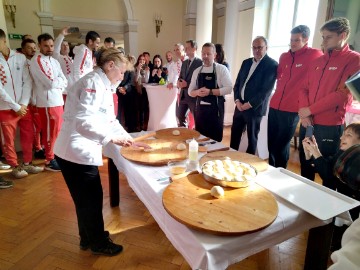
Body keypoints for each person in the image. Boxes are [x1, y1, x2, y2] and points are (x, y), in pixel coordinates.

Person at [54, 48, 148, 256]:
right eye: (122, 72)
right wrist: (110, 139)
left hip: (75, 151)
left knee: (84, 199)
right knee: (92, 198)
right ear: (110, 65)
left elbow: (110, 120)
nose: (123, 77)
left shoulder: (104, 84)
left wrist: (130, 140)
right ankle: (98, 242)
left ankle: (86, 238)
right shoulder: (93, 83)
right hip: (75, 152)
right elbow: (83, 122)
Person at [298, 17, 360, 182]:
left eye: (328, 37)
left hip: (329, 126)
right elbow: (304, 88)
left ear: (343, 35)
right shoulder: (317, 61)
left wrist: (310, 110)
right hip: (307, 122)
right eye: (323, 37)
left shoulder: (354, 60)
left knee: (327, 171)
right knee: (306, 163)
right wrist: (304, 114)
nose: (324, 41)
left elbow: (342, 94)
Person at [267, 25, 322, 168]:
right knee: (271, 144)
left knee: (281, 145)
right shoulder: (284, 56)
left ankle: (279, 173)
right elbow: (280, 78)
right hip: (274, 106)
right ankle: (270, 169)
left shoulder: (315, 55)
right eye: (291, 40)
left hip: (292, 110)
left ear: (306, 39)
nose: (293, 43)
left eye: (296, 40)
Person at [0, 29, 43, 178]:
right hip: (5, 107)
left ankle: (27, 162)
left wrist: (23, 103)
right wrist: (15, 106)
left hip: (23, 106)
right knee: (8, 139)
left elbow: (27, 81)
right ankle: (14, 166)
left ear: (4, 40)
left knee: (28, 134)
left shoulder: (19, 58)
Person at [230, 36, 278, 154]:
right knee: (235, 134)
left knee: (252, 138)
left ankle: (248, 163)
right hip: (239, 105)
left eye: (260, 47)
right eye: (254, 47)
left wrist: (249, 104)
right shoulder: (246, 62)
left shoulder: (271, 64)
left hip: (254, 108)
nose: (257, 50)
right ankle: (230, 157)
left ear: (266, 47)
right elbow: (237, 84)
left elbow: (266, 91)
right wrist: (237, 101)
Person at [29, 33, 68, 171]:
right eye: (46, 46)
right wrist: (58, 82)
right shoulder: (37, 60)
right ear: (39, 46)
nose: (49, 48)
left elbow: (64, 80)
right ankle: (50, 160)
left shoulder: (55, 61)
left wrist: (58, 82)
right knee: (50, 132)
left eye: (51, 45)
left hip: (57, 101)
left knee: (58, 131)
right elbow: (50, 83)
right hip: (47, 103)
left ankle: (55, 155)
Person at [188, 42, 232, 142]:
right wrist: (198, 92)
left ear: (215, 55)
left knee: (215, 140)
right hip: (200, 111)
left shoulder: (222, 69)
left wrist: (210, 91)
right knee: (200, 138)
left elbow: (229, 88)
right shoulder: (197, 71)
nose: (205, 56)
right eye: (203, 53)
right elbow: (190, 91)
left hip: (215, 111)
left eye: (208, 54)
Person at [21, 38, 46, 160]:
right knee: (35, 127)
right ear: (23, 50)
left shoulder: (37, 62)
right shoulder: (22, 63)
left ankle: (41, 146)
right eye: (29, 48)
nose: (32, 50)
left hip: (39, 98)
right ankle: (38, 149)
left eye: (34, 47)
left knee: (40, 126)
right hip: (29, 101)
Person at [177, 40, 202, 128]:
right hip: (183, 95)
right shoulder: (184, 63)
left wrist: (187, 84)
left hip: (193, 97)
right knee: (180, 116)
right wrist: (179, 82)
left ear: (194, 48)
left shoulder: (200, 63)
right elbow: (180, 77)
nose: (185, 49)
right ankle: (184, 136)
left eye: (187, 47)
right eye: (185, 47)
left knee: (197, 119)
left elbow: (200, 80)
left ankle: (197, 138)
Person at [116, 55, 137, 132]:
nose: (129, 61)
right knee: (118, 111)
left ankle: (130, 128)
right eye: (128, 59)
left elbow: (130, 81)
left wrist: (124, 88)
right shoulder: (121, 68)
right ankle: (117, 129)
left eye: (131, 60)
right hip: (119, 91)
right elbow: (117, 78)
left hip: (128, 92)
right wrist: (120, 88)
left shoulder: (132, 69)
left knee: (129, 111)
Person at [134, 54, 150, 131]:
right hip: (136, 89)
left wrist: (146, 72)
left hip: (144, 90)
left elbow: (146, 81)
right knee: (138, 108)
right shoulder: (135, 68)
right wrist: (138, 70)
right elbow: (136, 80)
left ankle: (143, 125)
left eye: (143, 60)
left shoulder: (146, 68)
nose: (142, 61)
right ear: (138, 60)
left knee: (143, 108)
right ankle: (138, 125)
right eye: (140, 59)